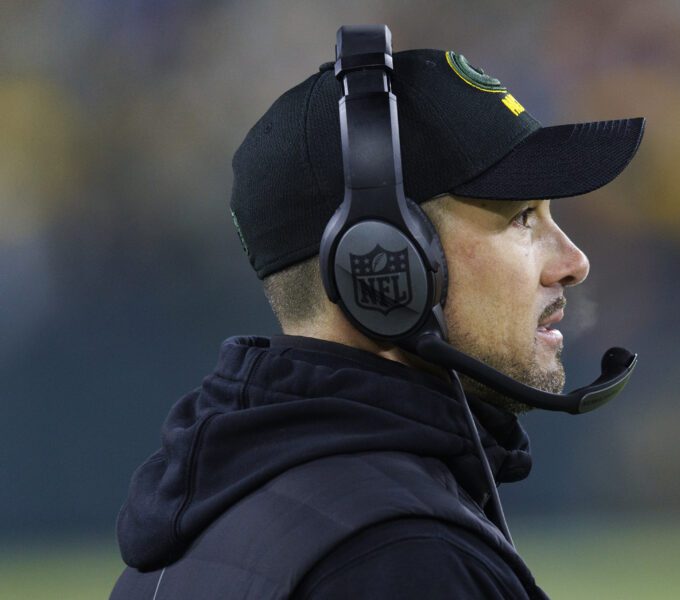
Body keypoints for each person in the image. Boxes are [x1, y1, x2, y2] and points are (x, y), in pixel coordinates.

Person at [110, 27, 644, 600]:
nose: (574, 262)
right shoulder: (408, 561)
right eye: (521, 219)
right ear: (385, 260)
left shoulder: (198, 528)